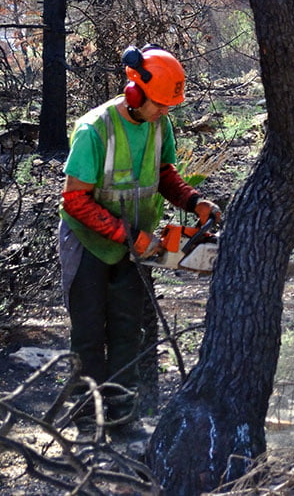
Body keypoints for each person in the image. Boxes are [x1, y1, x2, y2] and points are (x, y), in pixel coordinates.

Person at [57, 44, 220, 426]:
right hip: (88, 243)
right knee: (88, 331)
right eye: (159, 104)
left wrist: (193, 200)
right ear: (135, 91)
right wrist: (127, 235)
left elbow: (164, 173)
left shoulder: (160, 123)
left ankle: (120, 417)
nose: (164, 113)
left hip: (135, 244)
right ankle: (84, 418)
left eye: (168, 106)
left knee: (129, 330)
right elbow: (75, 201)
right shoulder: (94, 129)